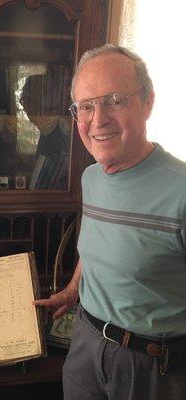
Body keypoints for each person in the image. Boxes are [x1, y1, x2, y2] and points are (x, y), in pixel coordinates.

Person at [33, 43, 186, 400]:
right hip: (85, 343)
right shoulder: (92, 177)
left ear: (147, 103)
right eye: (85, 106)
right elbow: (96, 242)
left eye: (115, 100)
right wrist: (73, 291)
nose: (98, 119)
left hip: (151, 367)